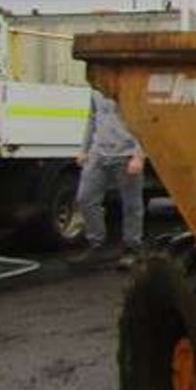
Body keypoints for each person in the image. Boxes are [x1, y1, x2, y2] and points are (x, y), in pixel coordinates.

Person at [75, 90, 145, 266]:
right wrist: (84, 149)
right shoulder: (96, 90)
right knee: (85, 198)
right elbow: (92, 118)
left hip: (126, 153)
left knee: (131, 204)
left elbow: (143, 119)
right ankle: (97, 244)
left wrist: (138, 155)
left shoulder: (129, 86)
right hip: (98, 153)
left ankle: (132, 248)